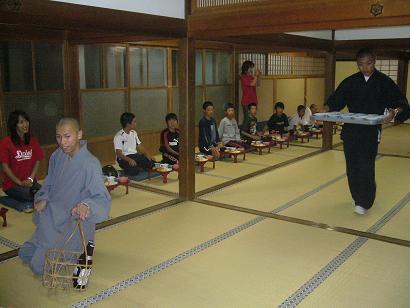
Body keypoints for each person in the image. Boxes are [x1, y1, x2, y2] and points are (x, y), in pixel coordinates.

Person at [19, 118, 111, 275]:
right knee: (25, 253)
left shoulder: (90, 164)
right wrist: (43, 197)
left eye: (67, 136)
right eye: (58, 137)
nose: (62, 142)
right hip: (53, 214)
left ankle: (70, 248)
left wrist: (86, 205)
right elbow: (48, 183)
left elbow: (101, 197)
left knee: (38, 266)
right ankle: (47, 241)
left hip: (73, 221)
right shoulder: (57, 156)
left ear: (79, 134)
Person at [326, 48, 410, 215]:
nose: (365, 68)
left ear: (375, 61)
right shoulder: (350, 81)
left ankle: (365, 201)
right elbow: (336, 100)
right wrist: (326, 108)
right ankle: (357, 196)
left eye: (368, 63)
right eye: (361, 65)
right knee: (352, 166)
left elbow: (401, 103)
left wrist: (395, 112)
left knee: (366, 165)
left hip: (371, 131)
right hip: (351, 129)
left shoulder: (384, 81)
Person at [0, 110, 44, 213]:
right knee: (31, 196)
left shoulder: (32, 140)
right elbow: (5, 167)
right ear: (14, 125)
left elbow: (38, 159)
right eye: (21, 122)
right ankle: (5, 199)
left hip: (29, 182)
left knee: (44, 193)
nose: (25, 124)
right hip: (12, 185)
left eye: (26, 121)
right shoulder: (5, 143)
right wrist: (19, 182)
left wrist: (31, 179)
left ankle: (24, 204)